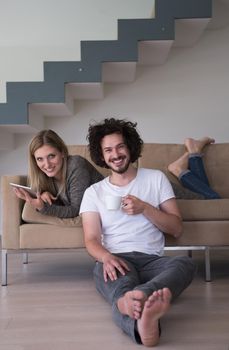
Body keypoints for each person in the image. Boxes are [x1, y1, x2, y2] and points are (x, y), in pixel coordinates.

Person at [79, 118, 196, 347]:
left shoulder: (155, 178)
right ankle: (142, 325)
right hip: (116, 259)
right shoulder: (94, 192)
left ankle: (135, 298)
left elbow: (176, 228)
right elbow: (91, 239)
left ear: (130, 147)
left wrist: (144, 208)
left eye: (120, 146)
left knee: (185, 264)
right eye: (108, 150)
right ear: (101, 156)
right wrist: (106, 258)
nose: (116, 154)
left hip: (152, 260)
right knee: (120, 287)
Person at [13, 129, 104, 218]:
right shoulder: (45, 175)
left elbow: (76, 210)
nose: (47, 165)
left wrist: (43, 207)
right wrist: (44, 196)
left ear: (63, 152)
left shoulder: (76, 166)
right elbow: (63, 205)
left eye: (51, 156)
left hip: (105, 209)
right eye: (40, 159)